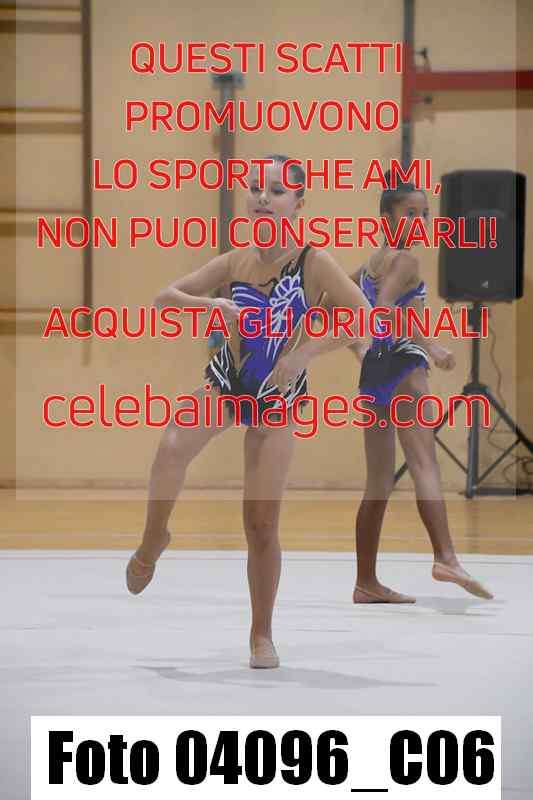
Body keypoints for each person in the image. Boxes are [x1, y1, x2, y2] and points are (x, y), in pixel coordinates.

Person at [126, 155, 371, 668]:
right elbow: (164, 298)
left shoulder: (314, 262)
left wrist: (305, 354)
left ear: (298, 203)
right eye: (256, 187)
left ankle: (261, 633)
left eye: (277, 190)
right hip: (228, 382)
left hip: (278, 396)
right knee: (171, 447)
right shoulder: (235, 261)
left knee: (260, 523)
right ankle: (154, 537)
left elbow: (362, 319)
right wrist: (210, 307)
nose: (263, 196)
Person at [276, 172, 494, 603]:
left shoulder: (376, 260)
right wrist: (431, 346)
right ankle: (445, 557)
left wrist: (355, 346)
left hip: (375, 373)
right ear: (385, 217)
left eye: (425, 214)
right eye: (409, 213)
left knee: (379, 481)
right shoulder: (406, 261)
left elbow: (333, 302)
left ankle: (366, 582)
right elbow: (383, 308)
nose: (420, 221)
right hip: (403, 367)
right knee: (425, 465)